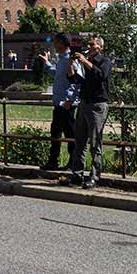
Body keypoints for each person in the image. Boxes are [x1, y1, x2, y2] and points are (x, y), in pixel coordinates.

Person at [65, 36, 112, 189]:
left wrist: (85, 61)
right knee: (79, 142)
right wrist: (71, 64)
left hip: (97, 105)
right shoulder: (84, 63)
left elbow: (100, 75)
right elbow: (74, 80)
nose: (89, 46)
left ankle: (95, 176)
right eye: (88, 44)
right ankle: (77, 175)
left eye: (92, 44)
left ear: (100, 47)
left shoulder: (105, 61)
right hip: (84, 103)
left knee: (95, 142)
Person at [38, 33, 82, 171]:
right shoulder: (61, 59)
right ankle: (53, 161)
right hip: (58, 103)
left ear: (62, 43)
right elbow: (57, 74)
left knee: (70, 134)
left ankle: (73, 163)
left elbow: (77, 82)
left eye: (56, 42)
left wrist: (70, 100)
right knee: (55, 133)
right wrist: (47, 63)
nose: (54, 45)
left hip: (66, 104)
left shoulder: (71, 59)